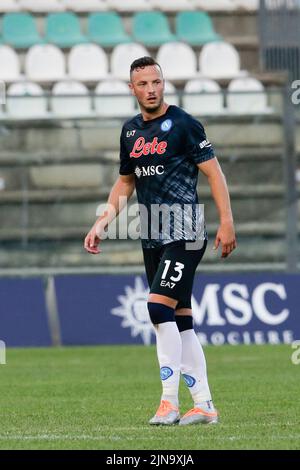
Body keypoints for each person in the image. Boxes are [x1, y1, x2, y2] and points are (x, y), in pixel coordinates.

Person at [84, 57, 236, 426]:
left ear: (163, 83)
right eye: (143, 84)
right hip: (151, 233)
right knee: (180, 320)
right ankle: (203, 404)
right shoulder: (131, 132)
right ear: (132, 88)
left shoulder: (184, 124)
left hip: (184, 231)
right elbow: (126, 182)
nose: (151, 89)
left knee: (156, 309)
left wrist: (227, 221)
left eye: (156, 82)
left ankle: (169, 402)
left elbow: (214, 173)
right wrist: (102, 222)